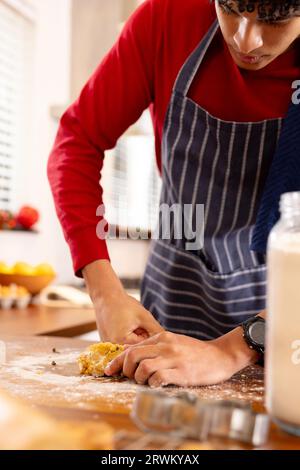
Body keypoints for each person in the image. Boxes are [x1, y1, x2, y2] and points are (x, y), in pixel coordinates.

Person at [48, 0, 300, 387]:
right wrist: (103, 292)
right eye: (230, 6)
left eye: (275, 17)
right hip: (169, 299)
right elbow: (77, 142)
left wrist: (232, 348)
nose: (244, 38)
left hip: (288, 323)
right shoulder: (166, 19)